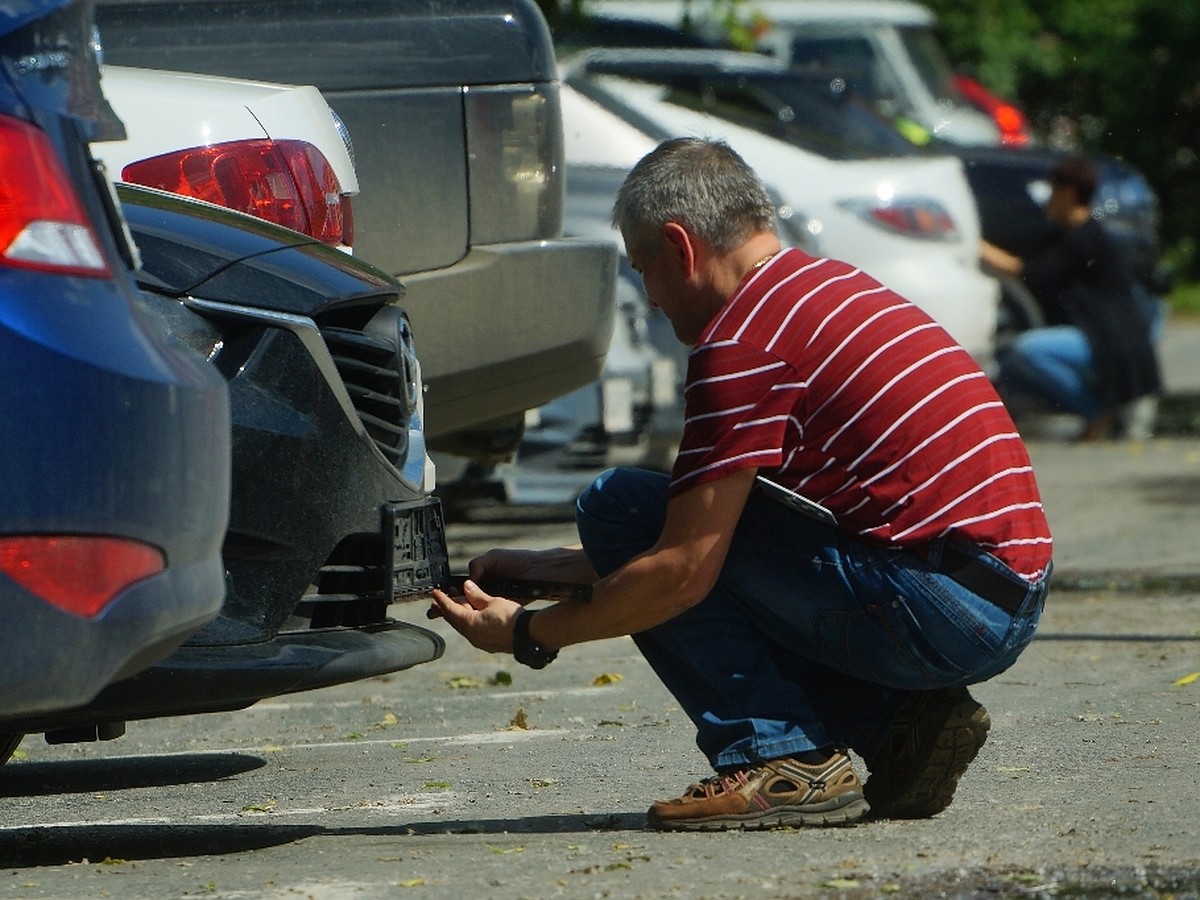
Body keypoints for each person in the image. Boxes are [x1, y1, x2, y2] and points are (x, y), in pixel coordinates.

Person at [430, 138, 1053, 832]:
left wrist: (527, 633)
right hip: (995, 590)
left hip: (941, 605)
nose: (655, 299)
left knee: (617, 504)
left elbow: (682, 573)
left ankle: (782, 759)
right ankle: (901, 725)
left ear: (681, 247)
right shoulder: (823, 287)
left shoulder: (741, 342)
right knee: (650, 525)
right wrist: (541, 572)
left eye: (646, 272)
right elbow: (727, 548)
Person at [981, 155, 1161, 440]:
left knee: (1026, 352)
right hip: (1109, 339)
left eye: (1053, 192)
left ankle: (1095, 410)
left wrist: (975, 245)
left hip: (1109, 342)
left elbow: (1029, 272)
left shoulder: (1083, 239)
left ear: (1069, 193)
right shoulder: (1075, 235)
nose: (1047, 201)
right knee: (1012, 365)